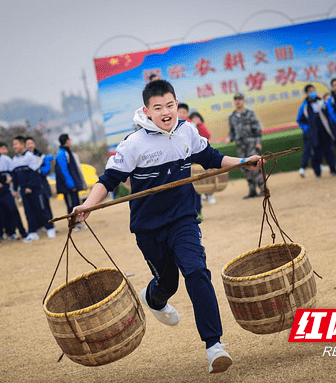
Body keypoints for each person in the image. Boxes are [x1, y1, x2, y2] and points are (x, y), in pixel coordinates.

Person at [72, 79, 263, 374]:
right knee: (168, 283)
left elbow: (210, 158)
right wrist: (87, 205)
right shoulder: (133, 144)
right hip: (148, 229)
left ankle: (215, 346)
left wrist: (242, 161)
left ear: (176, 104)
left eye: (170, 105)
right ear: (147, 111)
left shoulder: (187, 131)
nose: (166, 112)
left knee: (197, 271)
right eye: (158, 107)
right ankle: (154, 297)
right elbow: (107, 181)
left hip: (183, 219)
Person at [12, 136, 56, 242]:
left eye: (16, 144)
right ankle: (32, 232)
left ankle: (50, 228)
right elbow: (15, 176)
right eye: (13, 145)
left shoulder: (30, 156)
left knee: (42, 208)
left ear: (23, 144)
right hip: (23, 190)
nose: (14, 147)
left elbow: (34, 174)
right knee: (28, 211)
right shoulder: (15, 159)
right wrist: (15, 189)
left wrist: (30, 187)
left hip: (35, 189)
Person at [225, 92, 264, 198]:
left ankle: (263, 189)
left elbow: (257, 129)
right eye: (236, 99)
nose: (238, 101)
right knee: (245, 169)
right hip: (240, 147)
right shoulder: (232, 116)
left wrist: (258, 142)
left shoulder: (249, 113)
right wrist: (229, 138)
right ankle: (252, 191)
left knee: (256, 167)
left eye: (240, 99)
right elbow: (232, 132)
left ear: (243, 101)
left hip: (251, 145)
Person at [296, 84, 336, 178]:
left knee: (329, 151)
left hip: (324, 131)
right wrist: (307, 129)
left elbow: (329, 113)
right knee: (316, 153)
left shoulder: (322, 102)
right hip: (314, 133)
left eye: (314, 90)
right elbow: (299, 120)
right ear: (307, 93)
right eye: (310, 91)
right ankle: (317, 172)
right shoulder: (305, 106)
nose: (313, 93)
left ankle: (333, 170)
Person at [55, 134, 88, 230]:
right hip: (67, 186)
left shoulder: (69, 152)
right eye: (69, 139)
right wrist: (70, 183)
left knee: (75, 203)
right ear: (66, 141)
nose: (70, 141)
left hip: (73, 184)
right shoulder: (61, 153)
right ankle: (72, 225)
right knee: (70, 205)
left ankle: (77, 223)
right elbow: (63, 170)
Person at [190, 111, 216, 205]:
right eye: (193, 118)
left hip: (203, 155)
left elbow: (207, 135)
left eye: (197, 118)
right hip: (192, 156)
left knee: (207, 174)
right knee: (196, 176)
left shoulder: (201, 126)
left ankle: (210, 194)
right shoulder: (188, 127)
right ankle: (200, 195)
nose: (195, 119)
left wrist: (199, 125)